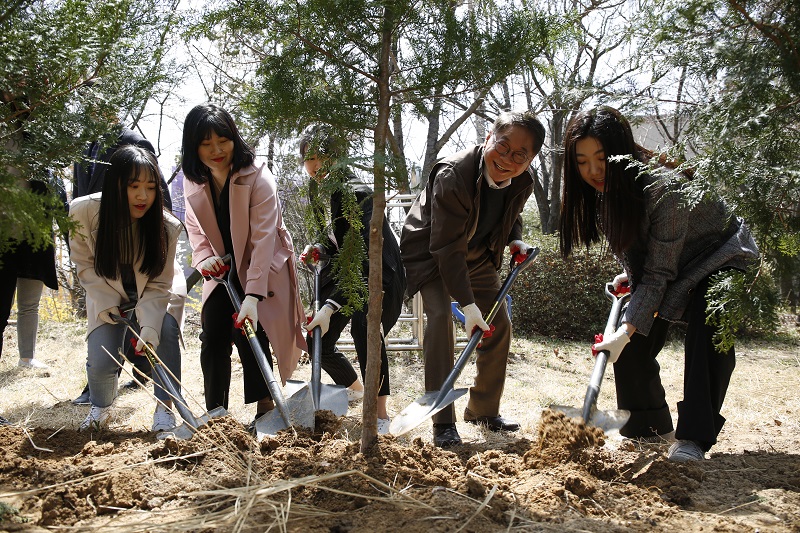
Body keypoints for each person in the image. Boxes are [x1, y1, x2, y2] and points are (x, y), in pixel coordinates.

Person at [559, 106, 759, 461]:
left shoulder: (665, 188)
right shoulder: (605, 196)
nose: (593, 170)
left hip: (722, 255)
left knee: (707, 320)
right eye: (582, 161)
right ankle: (650, 430)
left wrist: (625, 327)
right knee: (630, 340)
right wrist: (630, 281)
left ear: (621, 152)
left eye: (602, 158)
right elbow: (642, 257)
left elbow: (659, 275)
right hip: (676, 265)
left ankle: (694, 438)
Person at [400, 110, 545, 447]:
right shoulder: (453, 174)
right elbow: (447, 247)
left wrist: (514, 240)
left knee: (499, 324)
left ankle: (483, 410)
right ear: (487, 139)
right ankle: (442, 422)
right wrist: (467, 305)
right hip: (432, 252)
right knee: (439, 319)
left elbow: (510, 215)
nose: (508, 159)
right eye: (503, 147)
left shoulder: (523, 180)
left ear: (530, 160)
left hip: (476, 254)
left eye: (520, 155)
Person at [181, 103, 306, 426]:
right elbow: (195, 228)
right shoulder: (193, 180)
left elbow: (264, 238)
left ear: (234, 139)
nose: (216, 150)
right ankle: (216, 413)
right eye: (206, 144)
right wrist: (204, 256)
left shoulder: (258, 177)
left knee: (253, 329)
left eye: (222, 140)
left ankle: (265, 406)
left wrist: (253, 296)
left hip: (260, 266)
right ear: (194, 147)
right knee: (212, 333)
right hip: (221, 267)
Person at [69, 144, 186, 432]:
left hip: (158, 290)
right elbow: (84, 265)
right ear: (116, 184)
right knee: (101, 361)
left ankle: (164, 408)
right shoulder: (82, 211)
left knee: (165, 333)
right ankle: (101, 408)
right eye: (134, 186)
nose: (143, 196)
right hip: (107, 292)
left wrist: (149, 328)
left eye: (150, 187)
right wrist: (106, 301)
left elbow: (160, 282)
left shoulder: (167, 226)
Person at [298, 124, 407, 435]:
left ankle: (381, 413)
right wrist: (318, 247)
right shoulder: (322, 191)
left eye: (324, 156)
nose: (316, 165)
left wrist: (330, 306)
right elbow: (338, 242)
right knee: (318, 340)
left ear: (340, 157)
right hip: (346, 274)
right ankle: (358, 391)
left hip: (380, 275)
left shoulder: (356, 193)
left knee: (365, 327)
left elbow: (361, 262)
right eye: (309, 158)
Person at [0, 90, 67, 372]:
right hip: (4, 235)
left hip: (34, 232)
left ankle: (26, 357)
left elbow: (54, 182)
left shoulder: (37, 131)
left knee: (29, 301)